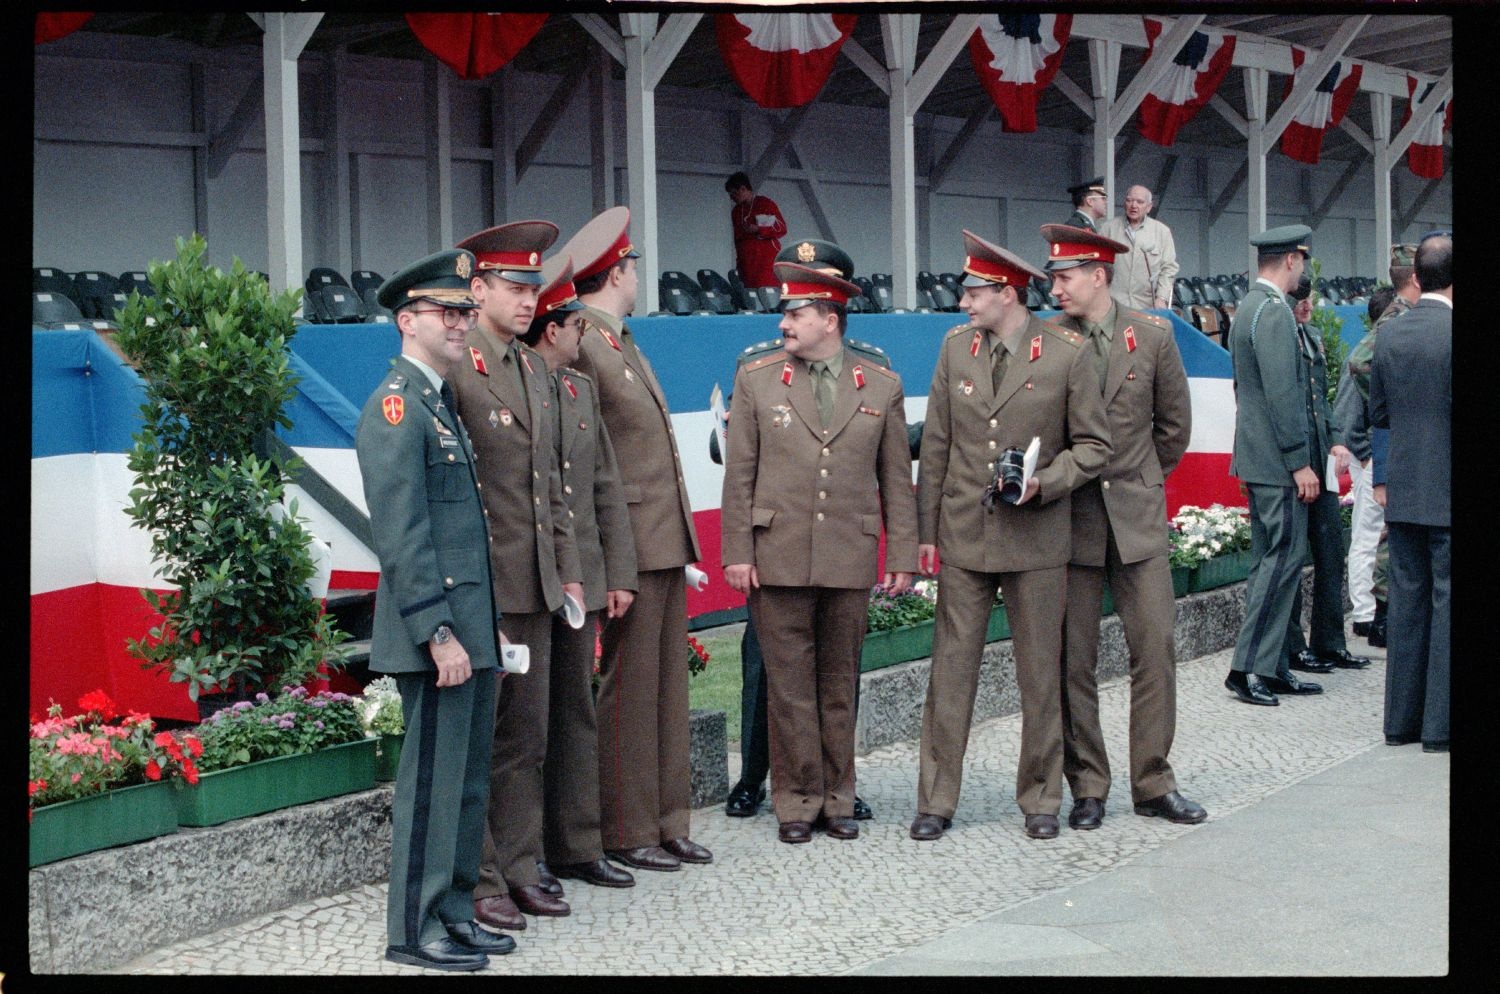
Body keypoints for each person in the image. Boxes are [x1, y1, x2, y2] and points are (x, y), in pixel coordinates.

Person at [910, 228, 1111, 842]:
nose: (964, 304)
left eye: (973, 293)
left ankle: (1041, 798)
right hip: (966, 538)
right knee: (951, 673)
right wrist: (926, 535)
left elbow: (1095, 447)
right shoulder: (955, 350)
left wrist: (1043, 483)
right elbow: (937, 447)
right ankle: (936, 800)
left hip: (1037, 539)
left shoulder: (1067, 352)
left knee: (1040, 675)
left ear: (1006, 292)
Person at [720, 258, 918, 844]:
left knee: (839, 682)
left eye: (796, 313)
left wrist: (901, 555)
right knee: (787, 688)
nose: (784, 322)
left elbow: (895, 479)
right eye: (785, 312)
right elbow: (740, 476)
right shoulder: (757, 379)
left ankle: (839, 797)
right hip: (776, 554)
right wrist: (737, 551)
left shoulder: (880, 384)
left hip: (847, 556)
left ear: (829, 319)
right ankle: (797, 802)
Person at [356, 249, 516, 970]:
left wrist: (482, 629)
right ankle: (412, 930)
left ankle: (454, 910)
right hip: (438, 636)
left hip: (470, 630)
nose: (460, 324)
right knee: (429, 788)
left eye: (464, 312)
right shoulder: (396, 406)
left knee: (466, 782)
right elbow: (403, 532)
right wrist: (438, 631)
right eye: (446, 313)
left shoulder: (438, 403)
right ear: (406, 320)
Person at [559, 206, 713, 871]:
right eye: (631, 267)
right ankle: (625, 826)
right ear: (619, 271)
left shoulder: (617, 338)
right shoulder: (586, 343)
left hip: (658, 538)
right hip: (629, 542)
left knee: (665, 689)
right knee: (628, 693)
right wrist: (608, 560)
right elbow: (589, 459)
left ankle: (666, 817)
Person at [1039, 224, 1206, 830]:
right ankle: (1088, 785)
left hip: (1135, 521)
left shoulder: (1154, 336)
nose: (1055, 287)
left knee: (1155, 652)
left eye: (1064, 277)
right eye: (1054, 277)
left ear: (1098, 275)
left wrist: (1133, 483)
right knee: (1071, 661)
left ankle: (1153, 781)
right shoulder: (1048, 340)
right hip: (1071, 525)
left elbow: (1173, 429)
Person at [451, 221, 585, 928]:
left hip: (535, 583)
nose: (529, 299)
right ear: (477, 290)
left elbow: (551, 487)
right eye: (514, 286)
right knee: (481, 735)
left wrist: (567, 572)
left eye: (535, 287)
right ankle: (479, 876)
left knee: (526, 738)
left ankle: (523, 862)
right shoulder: (456, 365)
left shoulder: (536, 370)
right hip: (484, 583)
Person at [519, 254, 640, 892]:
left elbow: (604, 488)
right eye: (573, 326)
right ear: (552, 329)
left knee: (577, 712)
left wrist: (616, 573)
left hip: (582, 577)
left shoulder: (579, 389)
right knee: (529, 722)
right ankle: (528, 848)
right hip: (533, 575)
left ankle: (578, 843)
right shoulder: (521, 383)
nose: (581, 337)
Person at [1223, 225, 1326, 706]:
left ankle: (1275, 664)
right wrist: (1298, 462)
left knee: (1271, 562)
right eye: (1301, 261)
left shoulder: (1248, 306)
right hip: (1277, 464)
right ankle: (1247, 669)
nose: (1302, 270)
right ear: (1290, 260)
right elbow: (1283, 395)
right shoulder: (1275, 311)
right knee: (1280, 563)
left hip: (1257, 459)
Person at [1370, 232, 1451, 753]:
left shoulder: (1389, 335)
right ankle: (1440, 727)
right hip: (1447, 486)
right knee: (1447, 603)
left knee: (1407, 601)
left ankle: (1401, 722)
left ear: (1416, 277)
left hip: (1404, 487)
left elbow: (1378, 415)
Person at [1333, 245, 1419, 647]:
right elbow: (1360, 367)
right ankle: (1370, 616)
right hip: (1377, 450)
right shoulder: (1396, 320)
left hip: (1381, 447)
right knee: (1372, 536)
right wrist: (1390, 409)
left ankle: (1376, 615)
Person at [1283, 274, 1369, 676]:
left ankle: (1331, 643)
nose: (1309, 306)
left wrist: (1337, 440)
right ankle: (1295, 647)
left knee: (1331, 551)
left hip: (1321, 456)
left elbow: (1322, 400)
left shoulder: (1311, 335)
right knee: (1293, 558)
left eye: (1310, 299)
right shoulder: (1281, 337)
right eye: (1302, 300)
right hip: (1295, 461)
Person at [1100, 185, 1179, 311]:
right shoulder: (1108, 229)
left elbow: (1169, 268)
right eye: (1129, 200)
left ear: (1149, 207)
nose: (1133, 205)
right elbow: (1098, 266)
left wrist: (1161, 298)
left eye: (1140, 202)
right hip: (1113, 305)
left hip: (1147, 306)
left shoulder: (1162, 232)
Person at [725, 170, 787, 290]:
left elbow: (782, 229)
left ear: (743, 189)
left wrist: (758, 229)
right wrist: (739, 263)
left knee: (766, 293)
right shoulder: (736, 212)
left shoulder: (765, 204)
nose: (731, 198)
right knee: (750, 294)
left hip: (765, 261)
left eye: (733, 193)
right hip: (746, 262)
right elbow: (737, 240)